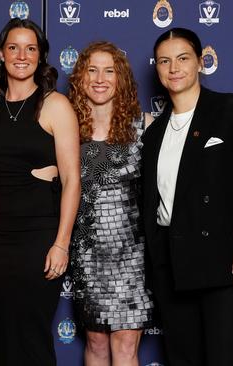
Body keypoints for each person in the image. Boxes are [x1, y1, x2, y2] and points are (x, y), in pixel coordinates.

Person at [141, 27, 233, 366]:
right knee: (183, 358)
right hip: (172, 264)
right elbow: (154, 199)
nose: (174, 68)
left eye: (183, 58)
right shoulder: (154, 132)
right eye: (165, 61)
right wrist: (156, 261)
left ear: (200, 62)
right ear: (156, 68)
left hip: (224, 261)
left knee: (224, 357)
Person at [0, 18, 80, 365]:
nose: (22, 55)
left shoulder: (55, 106)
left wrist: (61, 243)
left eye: (31, 48)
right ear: (1, 55)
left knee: (33, 332)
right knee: (5, 330)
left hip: (39, 234)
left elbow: (71, 180)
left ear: (41, 57)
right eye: (14, 47)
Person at [67, 41, 154, 366]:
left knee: (126, 346)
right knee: (96, 343)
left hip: (133, 255)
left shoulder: (145, 126)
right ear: (80, 78)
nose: (100, 78)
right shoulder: (68, 129)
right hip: (88, 255)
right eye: (92, 70)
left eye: (109, 71)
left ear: (121, 79)